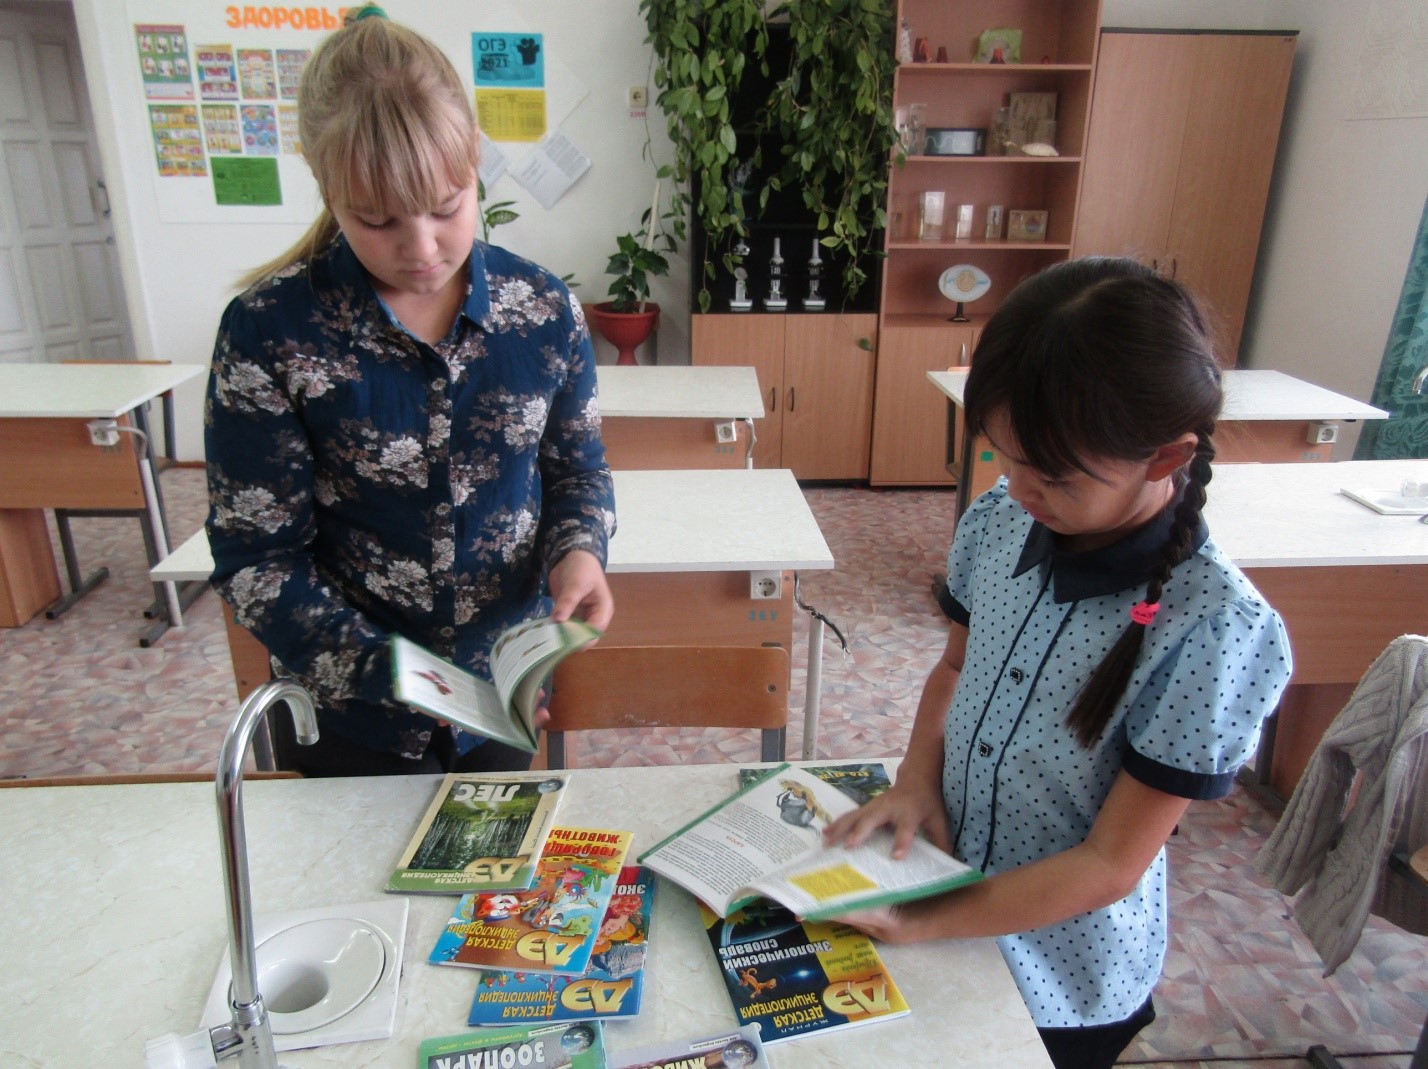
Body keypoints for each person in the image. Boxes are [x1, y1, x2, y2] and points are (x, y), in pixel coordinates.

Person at [825, 257, 1293, 1069]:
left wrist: (919, 920)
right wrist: (915, 779)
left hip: (1063, 975)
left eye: (1053, 476)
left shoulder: (1214, 626)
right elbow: (953, 669)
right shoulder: (999, 522)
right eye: (1004, 458)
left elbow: (1111, 863)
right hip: (947, 893)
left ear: (1165, 457)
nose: (1017, 489)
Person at [204, 6, 614, 777]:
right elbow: (256, 558)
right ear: (326, 186)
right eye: (377, 220)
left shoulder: (541, 311)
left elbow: (577, 472)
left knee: (489, 857)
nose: (422, 248)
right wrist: (394, 675)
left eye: (447, 206)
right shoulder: (271, 331)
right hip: (349, 716)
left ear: (474, 162)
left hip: (503, 689)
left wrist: (579, 552)